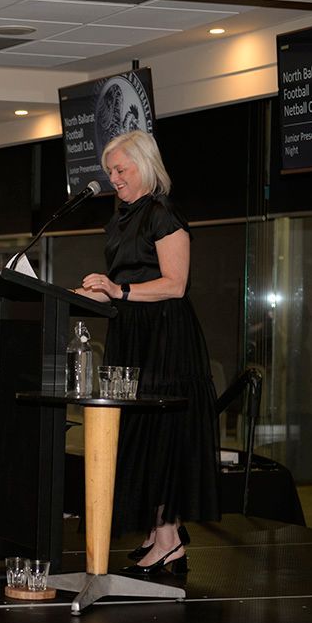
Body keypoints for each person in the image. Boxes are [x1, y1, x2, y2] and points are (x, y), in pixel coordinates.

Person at [75, 130, 219, 576]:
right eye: (110, 171)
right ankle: (160, 533)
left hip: (164, 336)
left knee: (163, 437)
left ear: (145, 164)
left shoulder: (162, 212)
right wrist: (75, 294)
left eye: (120, 169)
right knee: (139, 435)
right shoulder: (121, 217)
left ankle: (170, 539)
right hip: (132, 332)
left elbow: (175, 284)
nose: (113, 178)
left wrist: (118, 289)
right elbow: (121, 283)